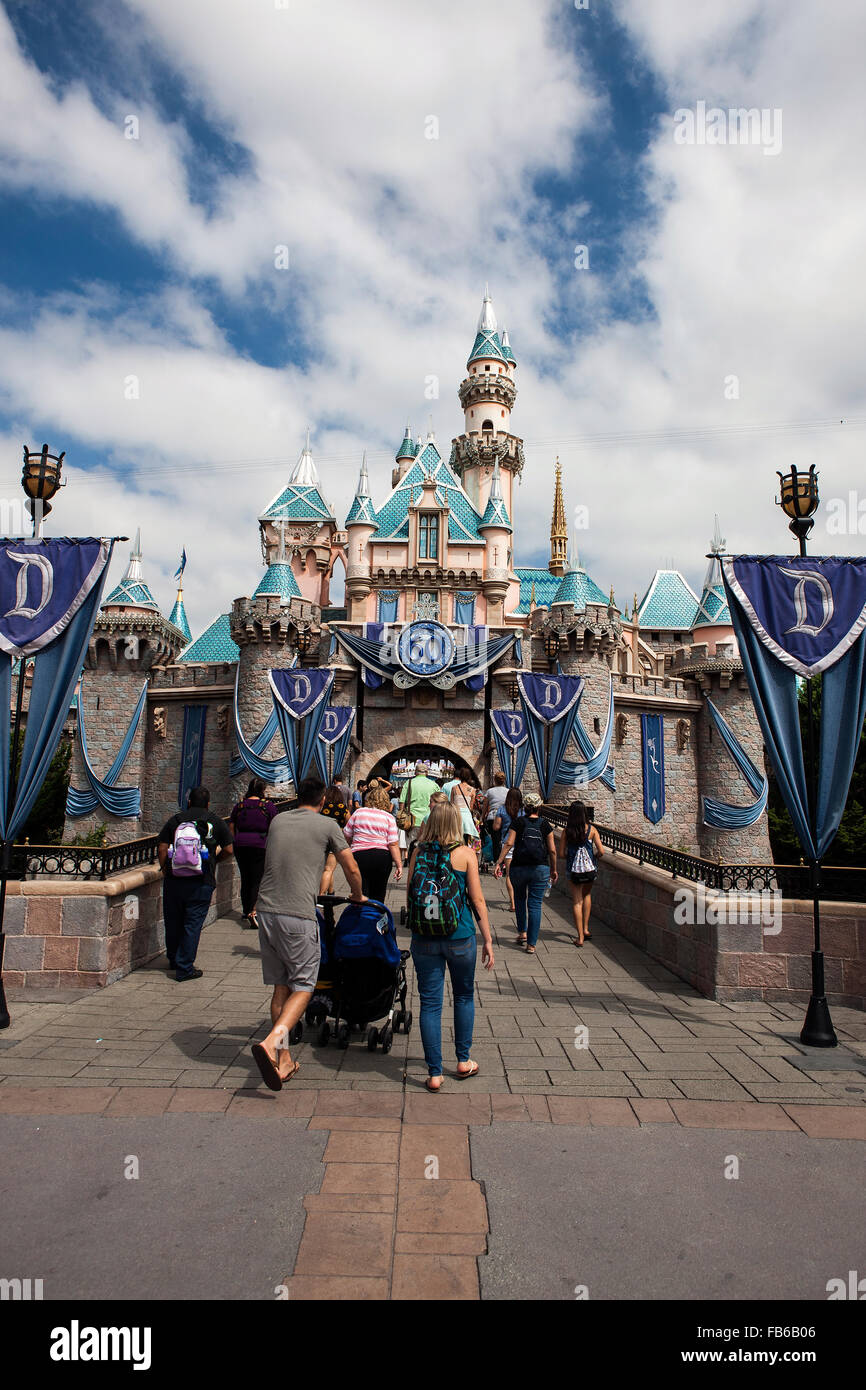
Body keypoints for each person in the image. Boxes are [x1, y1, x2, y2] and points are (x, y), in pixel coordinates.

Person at [250, 774, 364, 1089]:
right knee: (304, 985)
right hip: (297, 913)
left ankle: (284, 1060)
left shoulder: (278, 822)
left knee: (280, 987)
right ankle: (271, 1043)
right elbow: (350, 866)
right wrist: (357, 895)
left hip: (267, 910)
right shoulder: (328, 825)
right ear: (323, 801)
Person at [406, 800, 494, 1092]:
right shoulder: (465, 854)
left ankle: (433, 1072)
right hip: (460, 936)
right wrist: (488, 939)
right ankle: (463, 1060)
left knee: (430, 1003)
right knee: (464, 996)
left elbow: (410, 895)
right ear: (456, 823)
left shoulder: (417, 852)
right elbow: (477, 900)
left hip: (424, 939)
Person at [158, 787, 234, 981]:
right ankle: (185, 967)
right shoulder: (214, 821)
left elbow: (162, 847)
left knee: (173, 920)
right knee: (192, 924)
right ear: (208, 804)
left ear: (189, 802)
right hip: (202, 881)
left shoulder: (176, 820)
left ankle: (174, 959)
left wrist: (165, 868)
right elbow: (229, 849)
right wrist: (214, 861)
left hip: (175, 880)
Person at [495, 791, 557, 953]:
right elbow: (552, 850)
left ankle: (522, 932)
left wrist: (499, 862)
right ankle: (531, 944)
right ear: (539, 807)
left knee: (520, 899)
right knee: (535, 904)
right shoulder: (545, 824)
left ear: (526, 807)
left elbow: (509, 843)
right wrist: (554, 869)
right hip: (540, 868)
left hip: (519, 867)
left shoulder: (518, 822)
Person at [230, 777, 277, 928]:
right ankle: (253, 910)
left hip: (241, 844)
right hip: (259, 844)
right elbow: (274, 825)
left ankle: (245, 910)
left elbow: (232, 824)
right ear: (263, 790)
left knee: (246, 877)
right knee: (257, 879)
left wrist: (235, 838)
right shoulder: (267, 806)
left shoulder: (240, 805)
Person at [343, 785, 402, 902]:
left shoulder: (359, 812)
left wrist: (352, 846)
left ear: (368, 799)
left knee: (359, 893)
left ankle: (360, 916)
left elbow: (347, 834)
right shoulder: (389, 817)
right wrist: (399, 864)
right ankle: (375, 916)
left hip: (359, 856)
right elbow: (393, 844)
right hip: (381, 857)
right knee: (379, 894)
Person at [560, 800, 604, 946]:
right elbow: (601, 852)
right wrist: (593, 857)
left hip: (573, 869)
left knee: (577, 901)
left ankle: (580, 937)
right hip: (589, 869)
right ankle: (585, 928)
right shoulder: (592, 830)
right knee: (587, 895)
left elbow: (561, 853)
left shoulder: (567, 831)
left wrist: (572, 856)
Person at [399, 761, 440, 857]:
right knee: (428, 849)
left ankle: (412, 867)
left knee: (412, 848)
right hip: (429, 821)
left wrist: (401, 816)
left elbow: (402, 802)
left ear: (415, 772)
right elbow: (440, 803)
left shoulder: (408, 783)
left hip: (411, 821)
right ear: (426, 773)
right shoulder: (434, 785)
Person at [494, 786, 523, 918]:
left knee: (509, 875)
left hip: (507, 844)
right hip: (522, 844)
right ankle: (520, 899)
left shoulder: (502, 809)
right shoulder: (523, 811)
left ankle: (513, 903)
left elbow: (496, 827)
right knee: (521, 874)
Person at [320, 781, 350, 895]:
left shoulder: (322, 807)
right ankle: (321, 895)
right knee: (329, 869)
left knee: (326, 869)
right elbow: (349, 822)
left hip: (321, 838)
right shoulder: (342, 808)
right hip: (335, 839)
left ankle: (331, 891)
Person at [482, 770, 508, 861]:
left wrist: (482, 817)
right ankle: (505, 861)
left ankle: (498, 862)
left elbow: (485, 806)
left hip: (492, 817)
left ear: (495, 780)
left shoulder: (489, 791)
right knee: (505, 840)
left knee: (495, 841)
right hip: (505, 817)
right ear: (504, 780)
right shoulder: (508, 791)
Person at [451, 771, 479, 849]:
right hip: (467, 816)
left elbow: (452, 804)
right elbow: (471, 807)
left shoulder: (454, 788)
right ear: (469, 777)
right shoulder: (472, 790)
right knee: (466, 839)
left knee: (455, 839)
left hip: (456, 815)